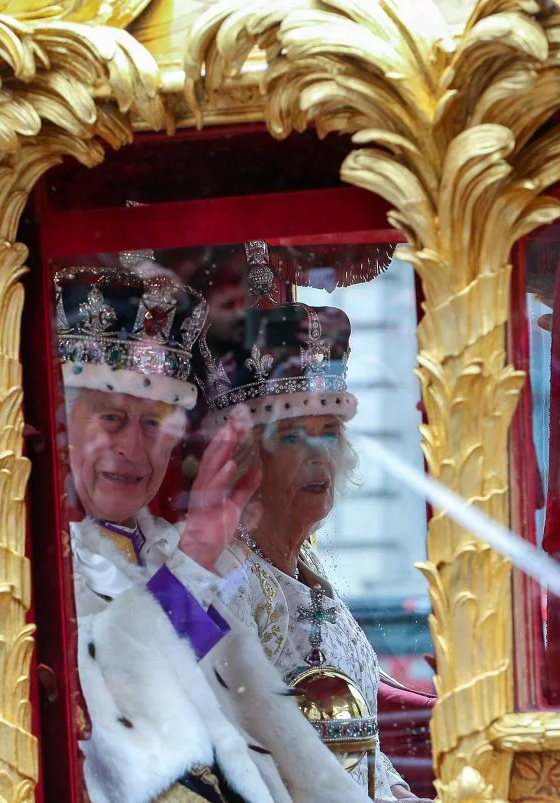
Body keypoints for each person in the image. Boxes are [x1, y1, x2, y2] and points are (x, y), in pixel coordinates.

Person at [0, 263, 367, 803]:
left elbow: (258, 730)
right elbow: (106, 740)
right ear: (61, 424)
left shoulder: (165, 554)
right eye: (111, 419)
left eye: (153, 424)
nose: (132, 447)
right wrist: (193, 560)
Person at [197, 302, 425, 802]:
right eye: (294, 436)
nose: (320, 454)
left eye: (329, 433)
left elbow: (357, 744)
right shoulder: (228, 576)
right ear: (247, 456)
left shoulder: (308, 567)